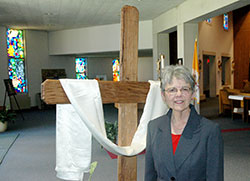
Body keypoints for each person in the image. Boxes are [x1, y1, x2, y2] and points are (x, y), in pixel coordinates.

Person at [145, 65, 223, 181]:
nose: (179, 94)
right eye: (172, 90)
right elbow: (150, 175)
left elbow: (214, 177)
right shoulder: (154, 127)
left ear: (192, 93)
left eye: (185, 89)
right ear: (163, 95)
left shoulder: (210, 131)